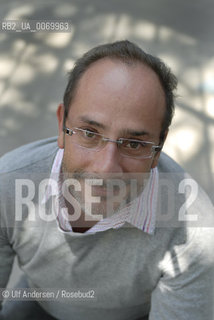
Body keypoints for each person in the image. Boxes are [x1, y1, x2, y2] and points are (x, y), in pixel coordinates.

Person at [0, 40, 213, 320]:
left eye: (134, 144)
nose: (106, 168)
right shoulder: (8, 186)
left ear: (158, 149)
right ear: (63, 126)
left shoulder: (195, 234)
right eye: (89, 133)